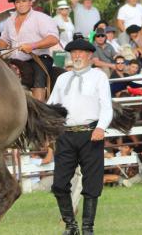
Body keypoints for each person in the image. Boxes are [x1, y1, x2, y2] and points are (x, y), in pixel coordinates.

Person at [48, 39, 113, 235]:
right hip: (66, 135)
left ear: (90, 56)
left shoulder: (98, 77)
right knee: (59, 184)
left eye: (80, 53)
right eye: (73, 52)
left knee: (92, 182)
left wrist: (101, 127)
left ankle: (87, 228)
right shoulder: (62, 79)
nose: (76, 56)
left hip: (90, 133)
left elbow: (107, 106)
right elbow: (52, 106)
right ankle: (71, 226)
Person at [0, 0, 60, 101]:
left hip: (38, 58)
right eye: (17, 2)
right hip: (14, 59)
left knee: (38, 78)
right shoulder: (10, 20)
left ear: (31, 2)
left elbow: (53, 39)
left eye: (24, 1)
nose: (20, 5)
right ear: (14, 4)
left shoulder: (41, 18)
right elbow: (3, 40)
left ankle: (39, 108)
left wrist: (33, 46)